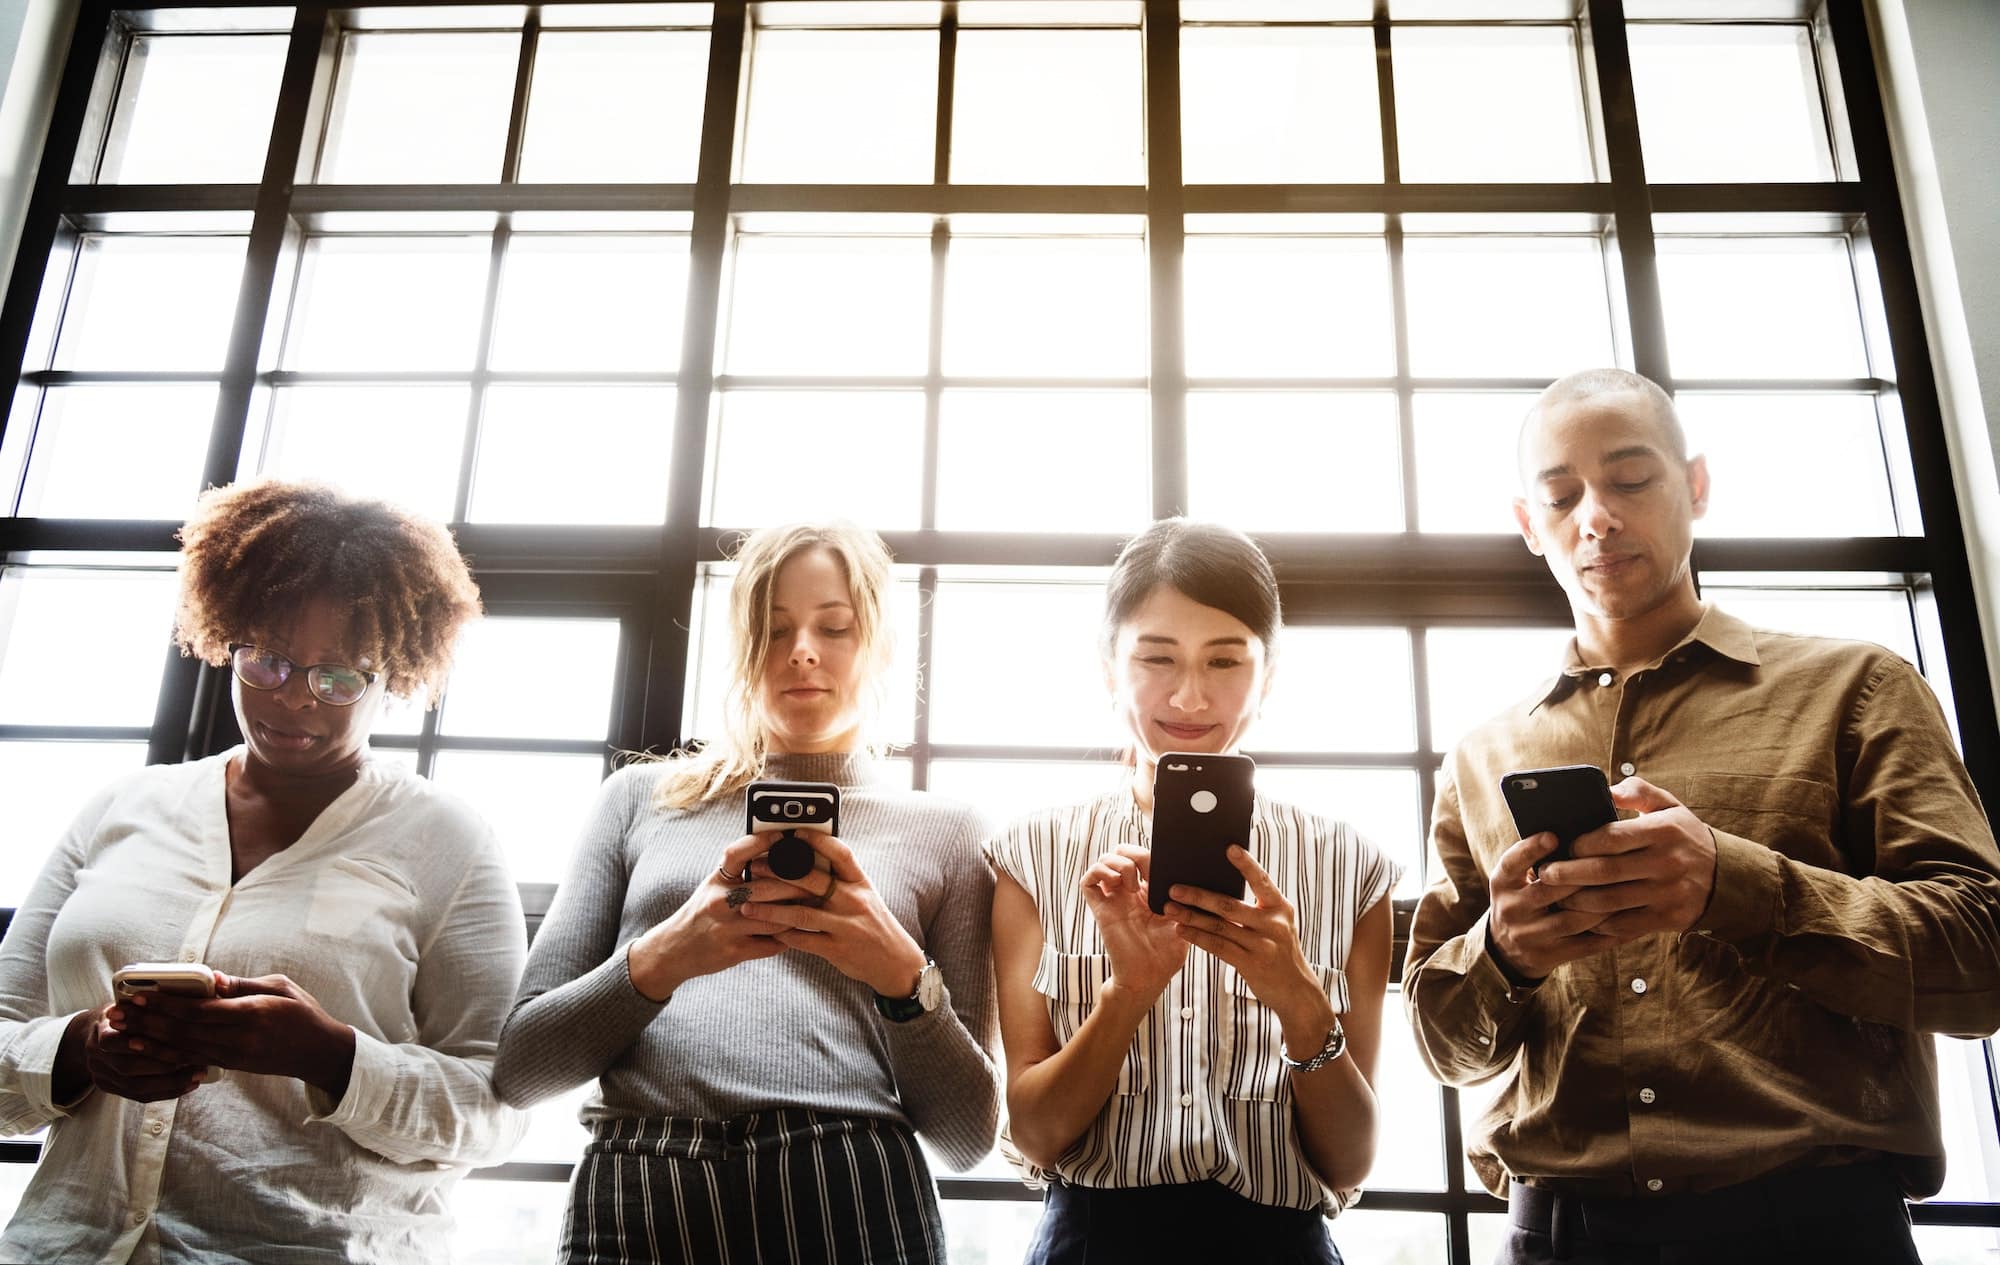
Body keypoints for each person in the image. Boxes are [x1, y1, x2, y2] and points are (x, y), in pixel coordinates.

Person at [1404, 367, 2000, 1264]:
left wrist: (1736, 886)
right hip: (1554, 1235)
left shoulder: (1857, 687)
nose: (1595, 516)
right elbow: (1442, 1042)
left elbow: (1986, 956)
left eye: (1630, 480)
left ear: (1698, 485)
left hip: (1815, 1230)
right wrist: (1506, 955)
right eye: (1560, 495)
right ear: (1530, 526)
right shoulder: (1482, 754)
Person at [0, 477, 526, 1263]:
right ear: (227, 637)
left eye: (340, 675)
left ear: (397, 674)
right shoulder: (122, 808)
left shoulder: (448, 840)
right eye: (268, 661)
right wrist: (81, 1049)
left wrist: (330, 1056)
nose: (295, 701)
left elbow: (494, 1110)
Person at [492, 521, 996, 1265]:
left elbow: (967, 1136)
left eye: (836, 627)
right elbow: (521, 1068)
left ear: (880, 648)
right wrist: (663, 957)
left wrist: (900, 977)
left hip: (847, 1180)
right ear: (741, 648)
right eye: (773, 627)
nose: (801, 650)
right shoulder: (639, 798)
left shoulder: (948, 832)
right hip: (643, 1173)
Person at [987, 518, 1397, 1265]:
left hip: (1282, 1247)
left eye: (1225, 660)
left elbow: (1351, 1162)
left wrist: (1298, 998)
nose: (1189, 694)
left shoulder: (1352, 864)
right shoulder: (1030, 853)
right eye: (1156, 657)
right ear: (1110, 668)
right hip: (1089, 1241)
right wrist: (1128, 993)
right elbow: (1036, 1134)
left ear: (1267, 675)